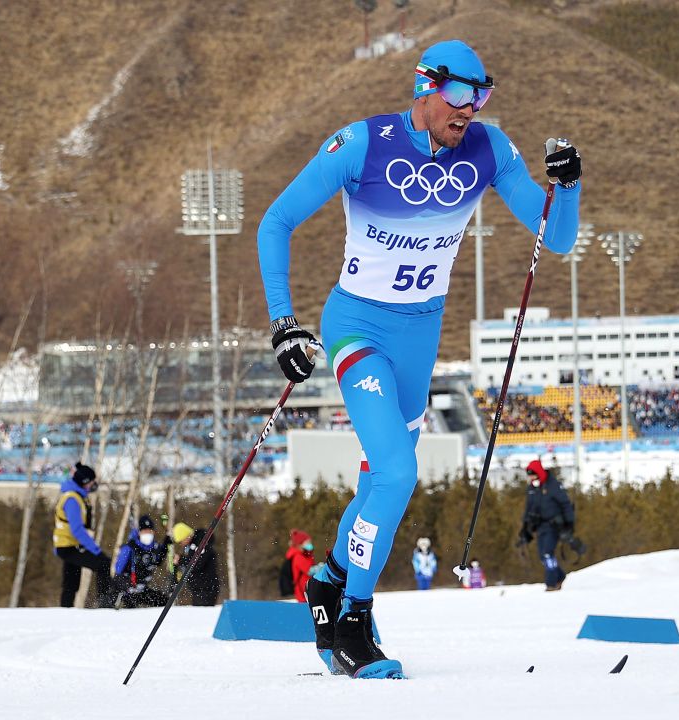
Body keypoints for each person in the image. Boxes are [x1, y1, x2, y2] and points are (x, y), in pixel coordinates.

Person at [259, 38, 581, 678]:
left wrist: (565, 186)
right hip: (357, 326)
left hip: (420, 336)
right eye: (460, 93)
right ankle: (354, 619)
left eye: (481, 94)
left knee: (382, 481)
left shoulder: (489, 148)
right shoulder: (362, 144)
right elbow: (276, 221)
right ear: (426, 88)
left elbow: (559, 237)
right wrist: (284, 326)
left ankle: (327, 579)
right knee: (401, 473)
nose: (471, 107)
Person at [53, 462, 113, 608]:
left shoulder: (77, 496)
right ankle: (105, 604)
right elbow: (77, 529)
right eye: (92, 481)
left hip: (69, 545)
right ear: (85, 482)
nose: (94, 484)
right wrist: (95, 549)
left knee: (71, 582)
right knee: (103, 563)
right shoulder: (72, 499)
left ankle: (66, 609)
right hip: (69, 546)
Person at [517, 460, 575, 591]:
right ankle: (560, 575)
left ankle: (551, 583)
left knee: (548, 553)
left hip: (554, 526)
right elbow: (529, 508)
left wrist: (569, 523)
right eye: (529, 475)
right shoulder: (532, 488)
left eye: (533, 475)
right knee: (542, 556)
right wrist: (525, 526)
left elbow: (565, 504)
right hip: (540, 526)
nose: (531, 478)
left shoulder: (553, 485)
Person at [112, 514, 168, 608]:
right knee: (130, 603)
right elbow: (118, 571)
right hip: (128, 588)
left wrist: (166, 546)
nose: (147, 534)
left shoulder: (154, 547)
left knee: (163, 601)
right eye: (144, 531)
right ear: (139, 532)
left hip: (142, 588)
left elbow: (158, 561)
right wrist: (127, 586)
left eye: (149, 531)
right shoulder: (130, 547)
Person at [171, 522, 221, 606]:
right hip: (198, 589)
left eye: (181, 541)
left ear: (186, 536)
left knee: (204, 614)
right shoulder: (192, 546)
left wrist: (181, 560)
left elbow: (196, 564)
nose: (181, 544)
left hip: (206, 588)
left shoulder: (201, 543)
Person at [285, 529, 316, 603]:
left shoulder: (305, 555)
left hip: (306, 590)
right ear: (301, 543)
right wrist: (322, 568)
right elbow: (309, 570)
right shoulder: (298, 557)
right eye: (308, 542)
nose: (310, 544)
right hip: (302, 592)